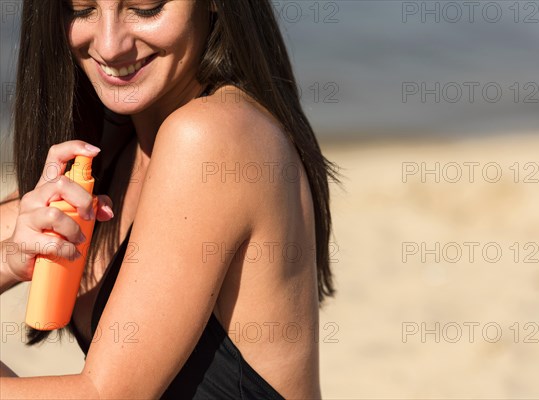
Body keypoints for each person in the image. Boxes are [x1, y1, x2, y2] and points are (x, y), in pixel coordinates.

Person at [0, 0, 337, 398]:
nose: (109, 46)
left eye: (145, 8)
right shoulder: (109, 143)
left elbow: (106, 394)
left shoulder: (213, 137)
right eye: (81, 9)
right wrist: (9, 259)